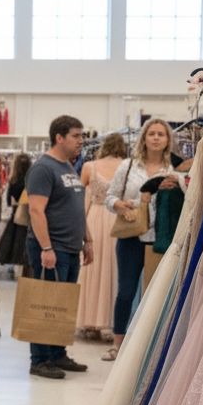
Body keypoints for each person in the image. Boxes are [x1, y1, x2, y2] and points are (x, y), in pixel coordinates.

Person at [104, 118, 178, 359]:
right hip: (131, 234)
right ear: (144, 138)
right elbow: (109, 197)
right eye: (151, 133)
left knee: (155, 293)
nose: (156, 138)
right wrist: (120, 204)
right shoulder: (128, 166)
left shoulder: (174, 169)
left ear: (167, 140)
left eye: (161, 134)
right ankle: (117, 343)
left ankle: (149, 346)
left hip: (161, 237)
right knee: (126, 291)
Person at [26, 115, 93, 379]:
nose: (81, 141)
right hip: (52, 248)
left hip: (70, 247)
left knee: (62, 305)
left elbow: (75, 208)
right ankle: (39, 359)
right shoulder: (43, 168)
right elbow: (36, 210)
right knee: (46, 304)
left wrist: (88, 240)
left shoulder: (68, 167)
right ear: (59, 137)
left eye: (82, 135)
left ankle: (57, 353)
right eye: (76, 136)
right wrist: (46, 248)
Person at [77, 133, 127, 346]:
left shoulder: (89, 167)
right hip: (117, 218)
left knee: (92, 269)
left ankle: (89, 321)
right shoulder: (127, 165)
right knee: (114, 269)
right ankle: (111, 322)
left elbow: (80, 197)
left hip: (95, 218)